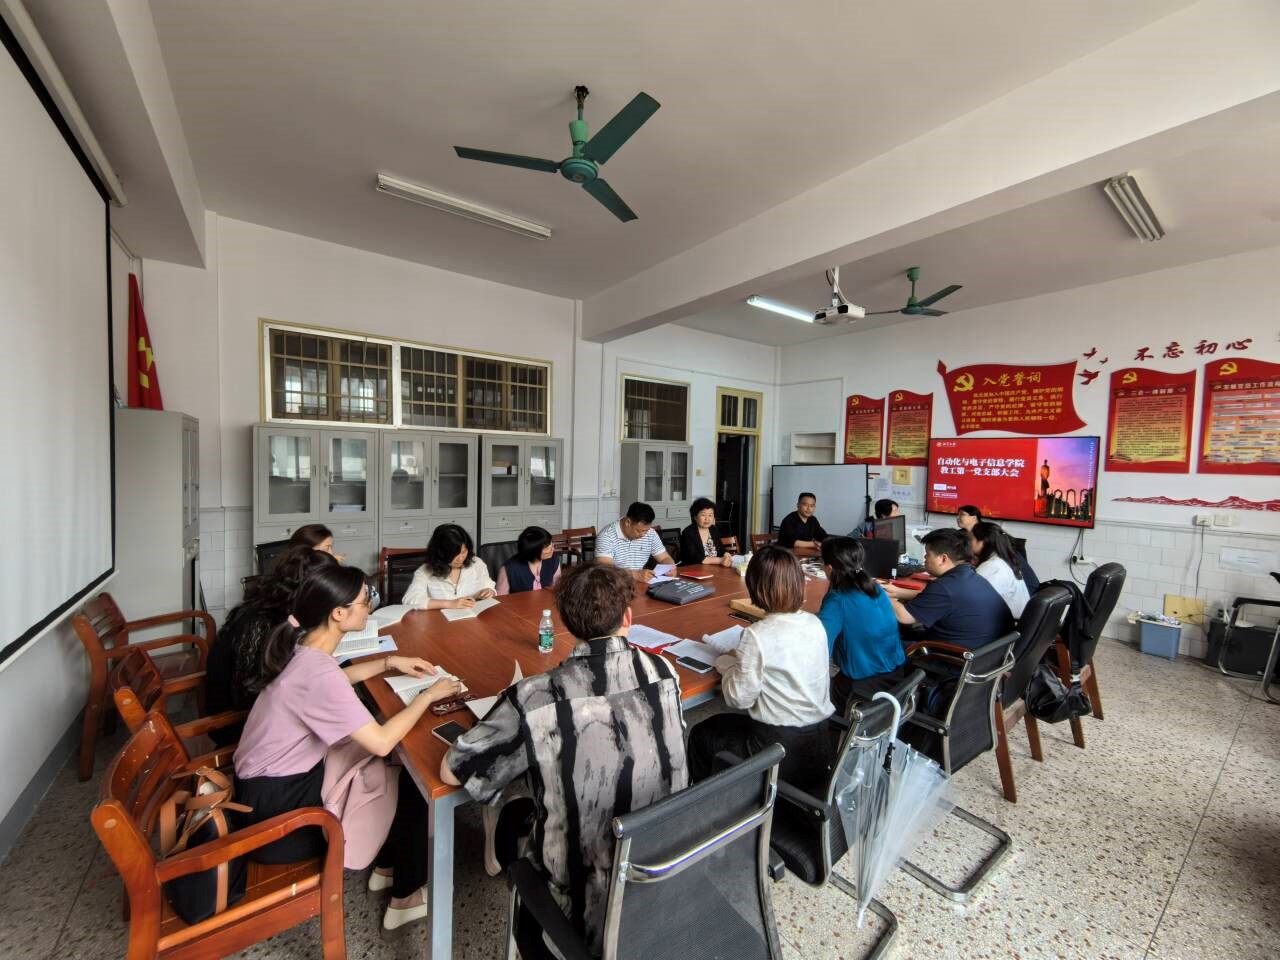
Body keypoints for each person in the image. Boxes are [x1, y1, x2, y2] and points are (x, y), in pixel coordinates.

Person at [442, 563, 688, 957]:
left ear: (566, 625)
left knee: (514, 815)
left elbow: (454, 770)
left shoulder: (537, 696)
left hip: (583, 910)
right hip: (664, 873)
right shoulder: (663, 671)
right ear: (628, 618)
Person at [232, 565, 462, 934]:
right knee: (412, 774)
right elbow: (381, 739)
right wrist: (428, 696)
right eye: (364, 601)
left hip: (262, 790)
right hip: (276, 818)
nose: (370, 606)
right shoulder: (316, 672)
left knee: (389, 763)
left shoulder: (302, 648)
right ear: (338, 613)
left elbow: (335, 679)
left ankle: (387, 866)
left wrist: (388, 662)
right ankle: (404, 896)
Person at [688, 546, 834, 790]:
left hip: (777, 752)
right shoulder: (814, 622)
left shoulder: (757, 635)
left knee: (701, 734)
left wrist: (727, 665)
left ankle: (717, 805)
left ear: (755, 587)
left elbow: (738, 699)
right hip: (818, 743)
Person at [205, 545, 338, 741]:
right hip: (244, 725)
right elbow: (246, 696)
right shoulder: (260, 624)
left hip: (268, 711)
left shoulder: (275, 607)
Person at [817, 538, 909, 713]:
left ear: (828, 568)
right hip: (895, 678)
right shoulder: (875, 588)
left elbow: (818, 650)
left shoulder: (838, 600)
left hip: (860, 690)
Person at [882, 528, 1014, 647]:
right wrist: (897, 593)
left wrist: (878, 592)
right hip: (986, 653)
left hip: (951, 657)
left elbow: (904, 616)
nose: (925, 558)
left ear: (943, 559)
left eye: (927, 554)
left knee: (878, 644)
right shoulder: (969, 576)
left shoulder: (944, 587)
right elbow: (939, 599)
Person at [402, 523, 496, 609]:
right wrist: (449, 604)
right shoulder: (425, 571)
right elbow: (410, 599)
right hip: (440, 620)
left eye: (463, 552)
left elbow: (489, 586)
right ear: (440, 553)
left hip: (472, 618)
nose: (460, 558)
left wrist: (489, 592)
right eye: (453, 555)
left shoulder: (477, 564)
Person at [594, 501, 676, 579]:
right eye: (639, 531)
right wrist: (635, 575)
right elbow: (607, 571)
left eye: (646, 530)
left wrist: (670, 567)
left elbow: (664, 558)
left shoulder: (650, 533)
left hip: (639, 583)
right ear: (628, 522)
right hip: (615, 584)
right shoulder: (606, 536)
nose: (643, 535)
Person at [970, 521, 1031, 618]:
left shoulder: (993, 566)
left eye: (971, 539)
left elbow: (971, 596)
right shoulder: (1003, 560)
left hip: (1007, 623)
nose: (968, 543)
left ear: (983, 542)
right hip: (1013, 620)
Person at [495, 526, 562, 595]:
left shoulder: (553, 560)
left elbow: (557, 588)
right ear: (533, 551)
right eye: (547, 547)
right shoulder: (509, 569)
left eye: (551, 543)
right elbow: (500, 598)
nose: (552, 549)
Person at [678, 497, 734, 567]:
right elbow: (694, 557)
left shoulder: (713, 529)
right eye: (703, 515)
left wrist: (726, 554)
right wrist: (720, 560)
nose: (707, 519)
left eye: (710, 515)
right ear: (695, 517)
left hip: (715, 569)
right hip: (694, 570)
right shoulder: (688, 532)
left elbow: (721, 549)